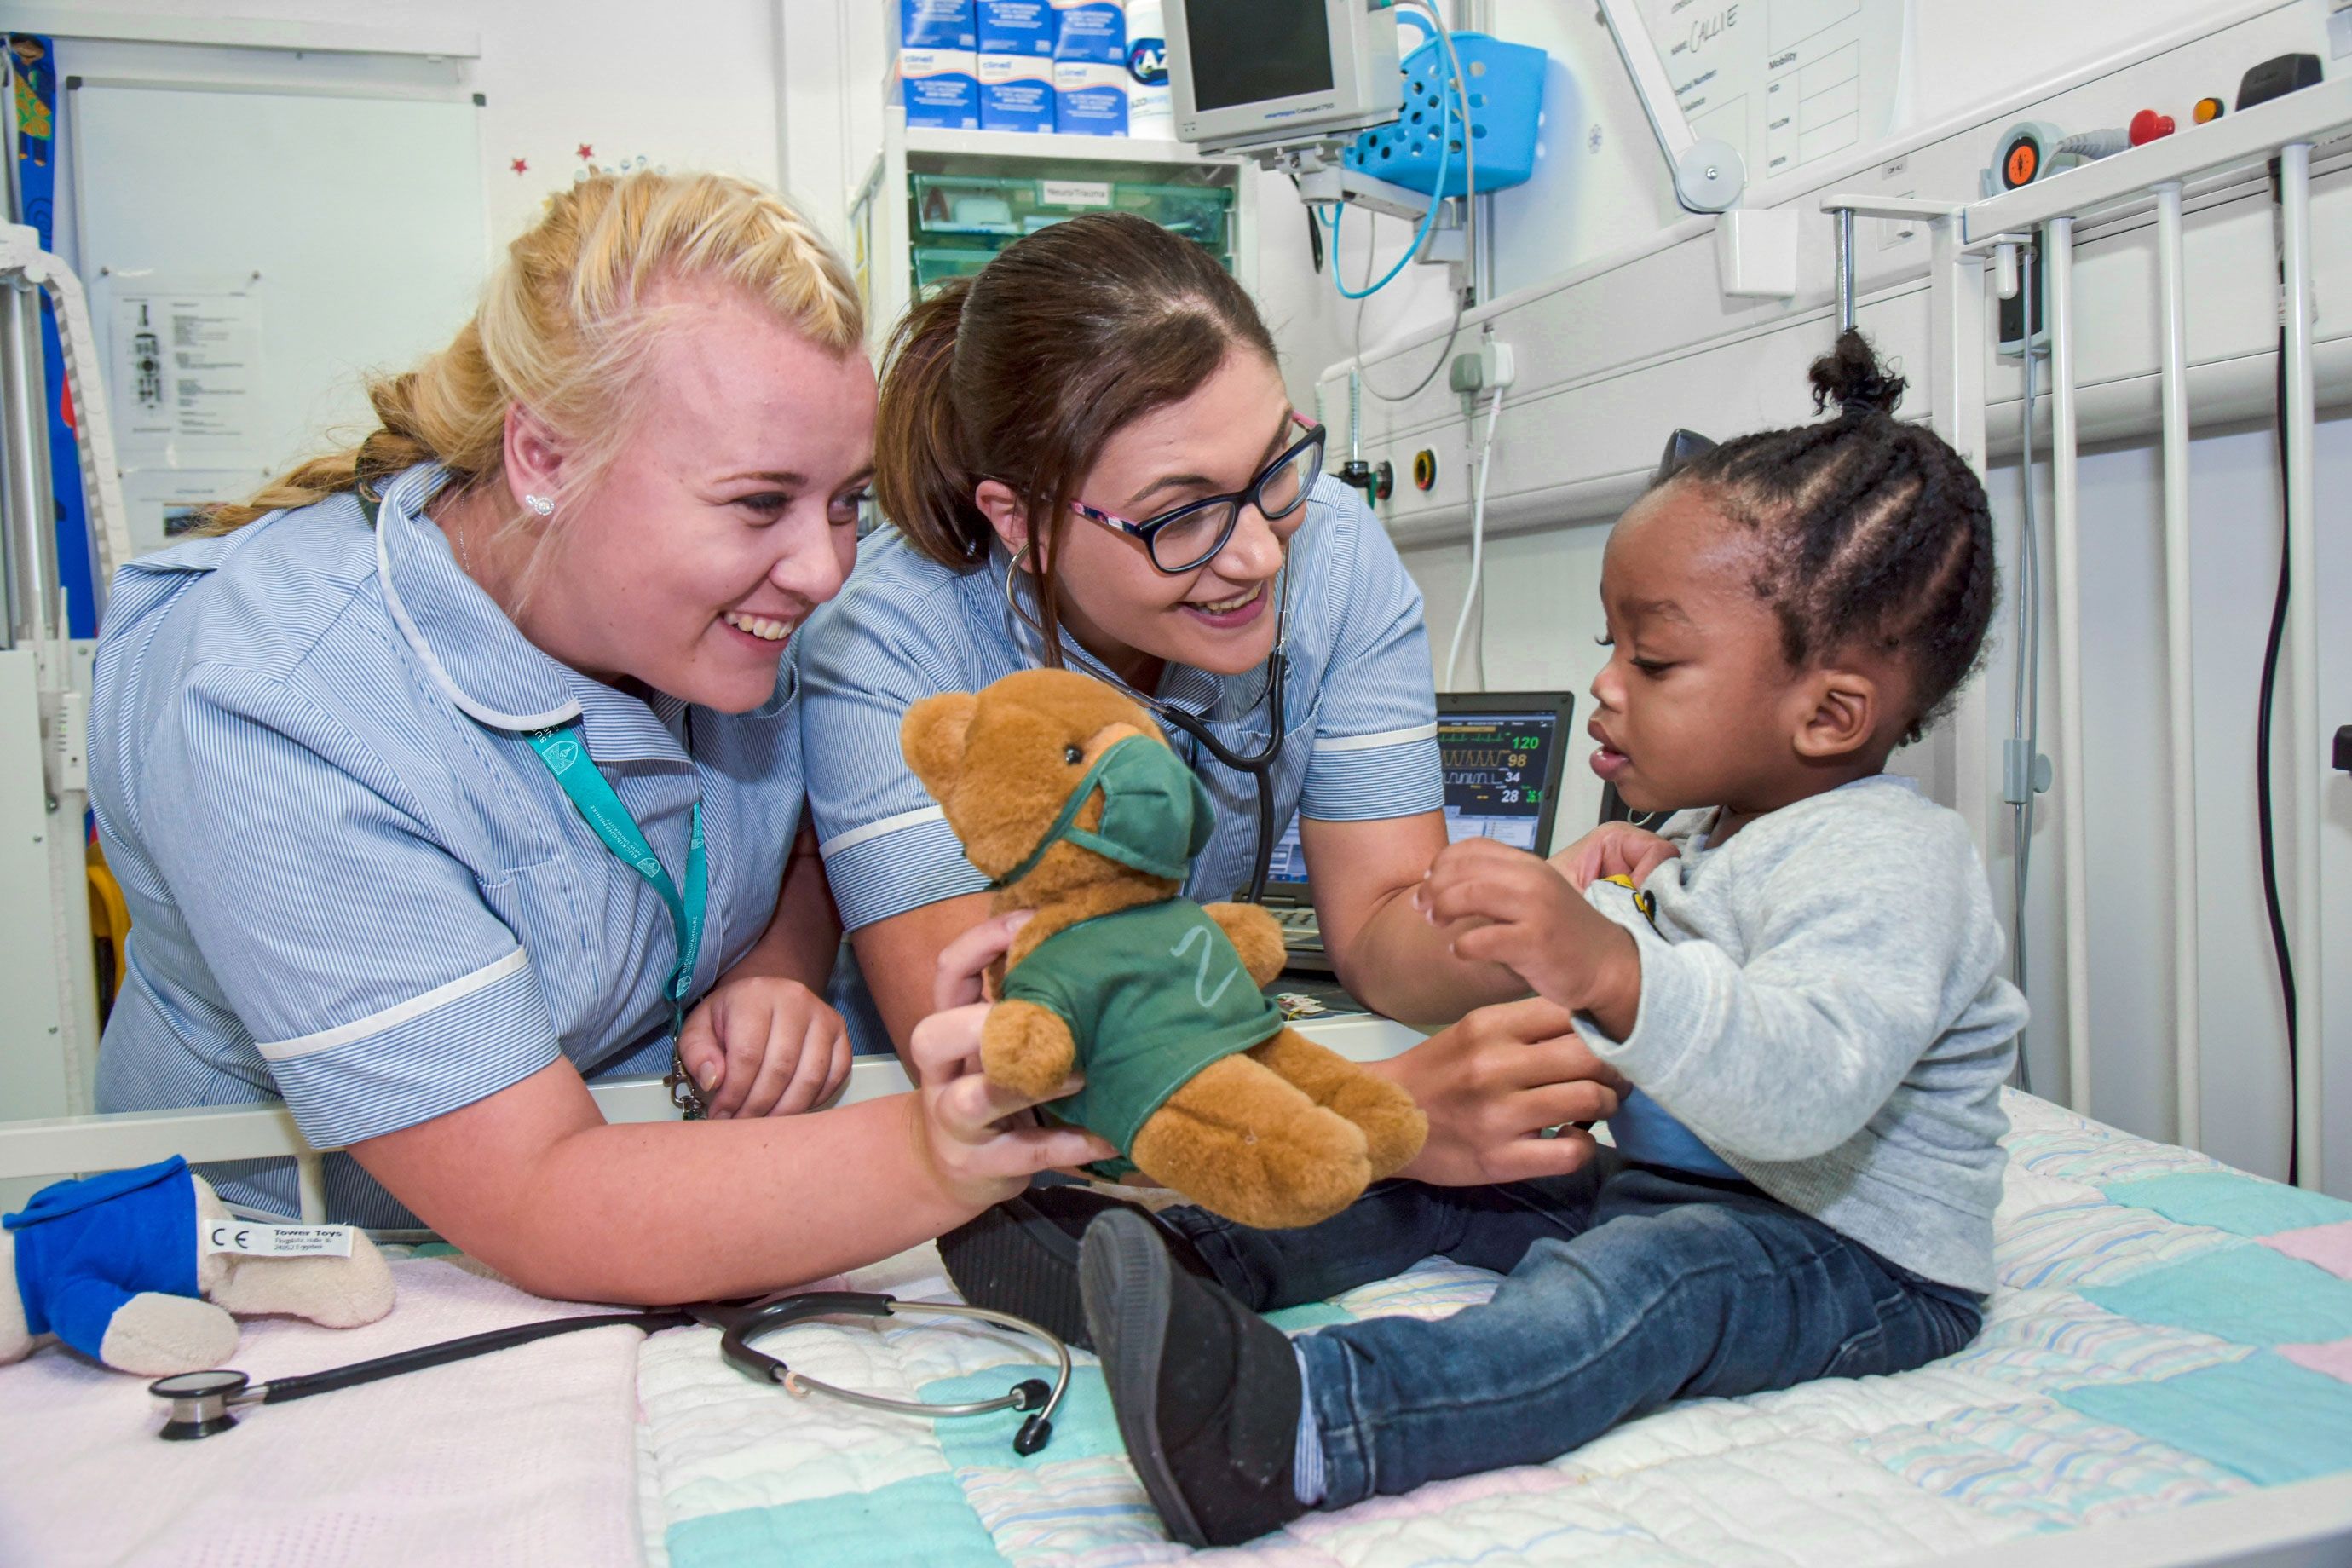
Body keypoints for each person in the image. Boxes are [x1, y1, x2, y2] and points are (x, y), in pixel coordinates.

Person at [991, 331, 2030, 1547]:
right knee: (1437, 1184)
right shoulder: (1724, 834)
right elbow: (1722, 965)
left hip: (1854, 1253)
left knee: (1635, 1296)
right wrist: (1630, 903)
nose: (1606, 687)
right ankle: (1179, 1265)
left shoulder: (1894, 859)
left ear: (1832, 712)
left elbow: (1806, 1089)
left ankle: (1305, 1426)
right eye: (1610, 649)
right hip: (1677, 1188)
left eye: (1653, 659)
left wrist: (1614, 962)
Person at [87, 171, 1110, 1303]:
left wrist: (772, 971)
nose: (824, 570)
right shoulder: (278, 709)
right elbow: (541, 1193)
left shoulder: (720, 615)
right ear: (544, 458)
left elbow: (795, 828)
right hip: (310, 1275)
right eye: (760, 502)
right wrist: (948, 1149)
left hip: (657, 1203)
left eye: (844, 501)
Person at [795, 210, 1615, 1181]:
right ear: (1022, 521)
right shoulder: (885, 641)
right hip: (974, 1167)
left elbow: (1383, 931)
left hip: (1209, 1098)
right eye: (1180, 514)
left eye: (1274, 467)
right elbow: (1005, 1057)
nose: (1262, 552)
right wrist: (1375, 1120)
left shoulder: (1337, 553)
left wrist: (1553, 925)